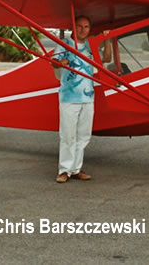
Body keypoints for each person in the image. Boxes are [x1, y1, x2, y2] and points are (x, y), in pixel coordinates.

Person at [52, 15, 96, 183]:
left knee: (84, 135)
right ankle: (64, 170)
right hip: (69, 97)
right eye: (79, 26)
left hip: (88, 97)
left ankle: (76, 169)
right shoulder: (64, 44)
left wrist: (106, 39)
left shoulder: (91, 45)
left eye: (86, 27)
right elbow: (54, 63)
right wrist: (61, 62)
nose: (82, 30)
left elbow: (105, 59)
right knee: (68, 135)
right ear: (73, 27)